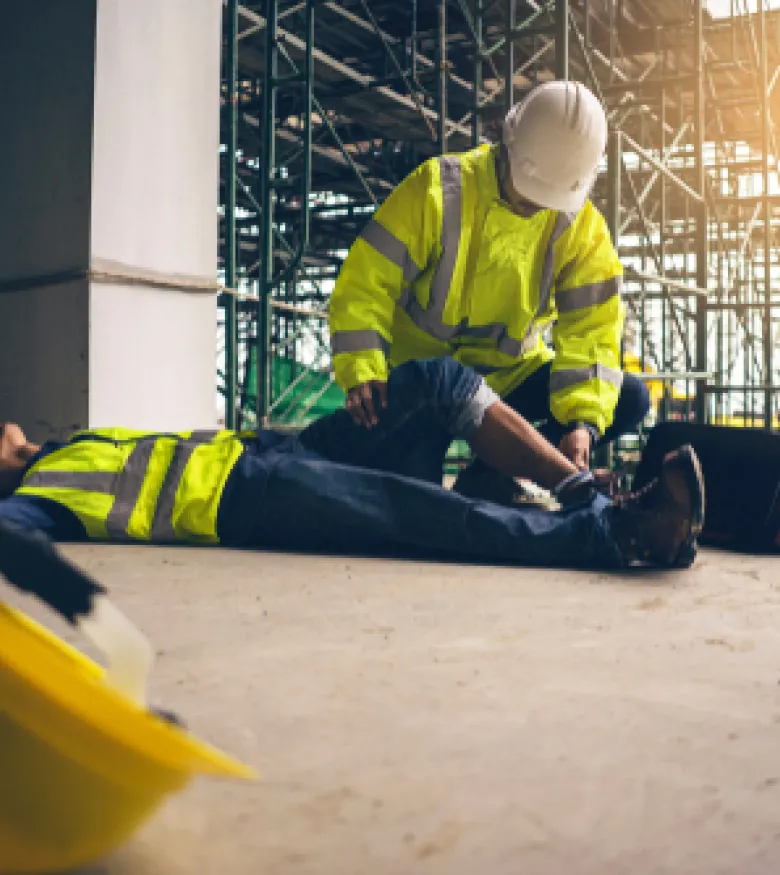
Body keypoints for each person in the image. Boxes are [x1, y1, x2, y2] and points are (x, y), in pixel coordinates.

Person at [0, 357, 702, 570]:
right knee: (416, 514)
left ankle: (581, 488)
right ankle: (611, 533)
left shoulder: (66, 444)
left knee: (432, 382)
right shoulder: (36, 496)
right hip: (242, 500)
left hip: (271, 449)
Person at [328, 80, 650, 493]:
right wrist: (362, 370)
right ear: (509, 145)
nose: (536, 206)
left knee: (631, 397)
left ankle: (494, 476)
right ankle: (470, 472)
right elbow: (366, 282)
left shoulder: (582, 230)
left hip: (511, 379)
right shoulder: (438, 191)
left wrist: (581, 422)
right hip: (429, 385)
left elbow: (593, 331)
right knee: (413, 497)